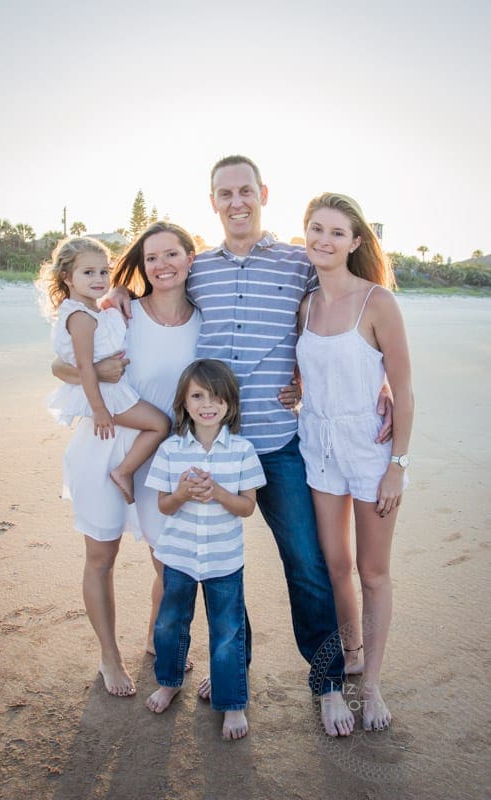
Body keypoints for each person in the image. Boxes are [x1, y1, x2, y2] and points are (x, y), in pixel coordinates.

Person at [111, 155, 393, 736]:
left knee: (308, 567)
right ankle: (228, 665)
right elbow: (145, 284)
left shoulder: (299, 261)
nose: (236, 201)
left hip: (281, 442)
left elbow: (357, 309)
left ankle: (328, 684)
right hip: (211, 445)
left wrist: (383, 382)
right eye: (224, 193)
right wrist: (116, 294)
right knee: (214, 561)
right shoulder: (198, 267)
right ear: (211, 201)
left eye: (245, 190)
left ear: (263, 193)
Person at [50, 225, 201, 694]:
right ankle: (109, 657)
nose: (162, 265)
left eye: (171, 254)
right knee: (102, 554)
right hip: (106, 439)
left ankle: (160, 641)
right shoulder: (121, 309)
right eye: (152, 257)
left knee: (168, 561)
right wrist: (93, 372)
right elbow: (59, 366)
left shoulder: (206, 317)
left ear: (189, 259)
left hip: (164, 455)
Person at [297, 193, 414, 731]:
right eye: (316, 229)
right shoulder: (307, 304)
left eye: (337, 232)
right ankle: (351, 654)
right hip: (317, 447)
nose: (324, 240)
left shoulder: (378, 302)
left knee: (373, 571)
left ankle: (372, 686)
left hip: (370, 452)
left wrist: (398, 463)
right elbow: (314, 373)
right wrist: (293, 390)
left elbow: (405, 390)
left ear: (356, 242)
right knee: (335, 566)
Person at [144, 359, 266, 740]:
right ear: (184, 400)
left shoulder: (243, 450)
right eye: (198, 395)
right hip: (178, 556)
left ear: (230, 402)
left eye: (215, 396)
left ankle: (232, 704)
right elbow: (163, 505)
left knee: (227, 632)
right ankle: (170, 680)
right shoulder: (170, 450)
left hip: (224, 559)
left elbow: (247, 507)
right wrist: (182, 492)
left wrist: (218, 493)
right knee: (169, 623)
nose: (207, 404)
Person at [38, 236, 170, 505]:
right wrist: (100, 411)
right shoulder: (81, 317)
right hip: (105, 394)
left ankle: (124, 470)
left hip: (107, 389)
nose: (98, 279)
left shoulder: (91, 310)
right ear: (67, 277)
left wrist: (120, 289)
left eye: (103, 272)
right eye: (88, 272)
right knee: (160, 425)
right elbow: (85, 367)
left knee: (159, 424)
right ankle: (124, 471)